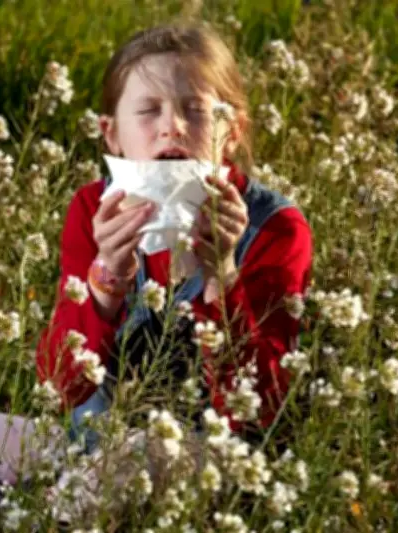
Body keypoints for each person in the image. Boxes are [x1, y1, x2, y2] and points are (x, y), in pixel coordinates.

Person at [35, 22, 313, 453]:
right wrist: (106, 277)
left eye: (196, 110)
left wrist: (221, 274)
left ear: (232, 133)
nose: (173, 127)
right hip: (94, 446)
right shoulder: (94, 211)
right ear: (112, 135)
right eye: (148, 111)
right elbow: (60, 389)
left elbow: (258, 412)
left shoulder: (275, 227)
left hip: (209, 461)